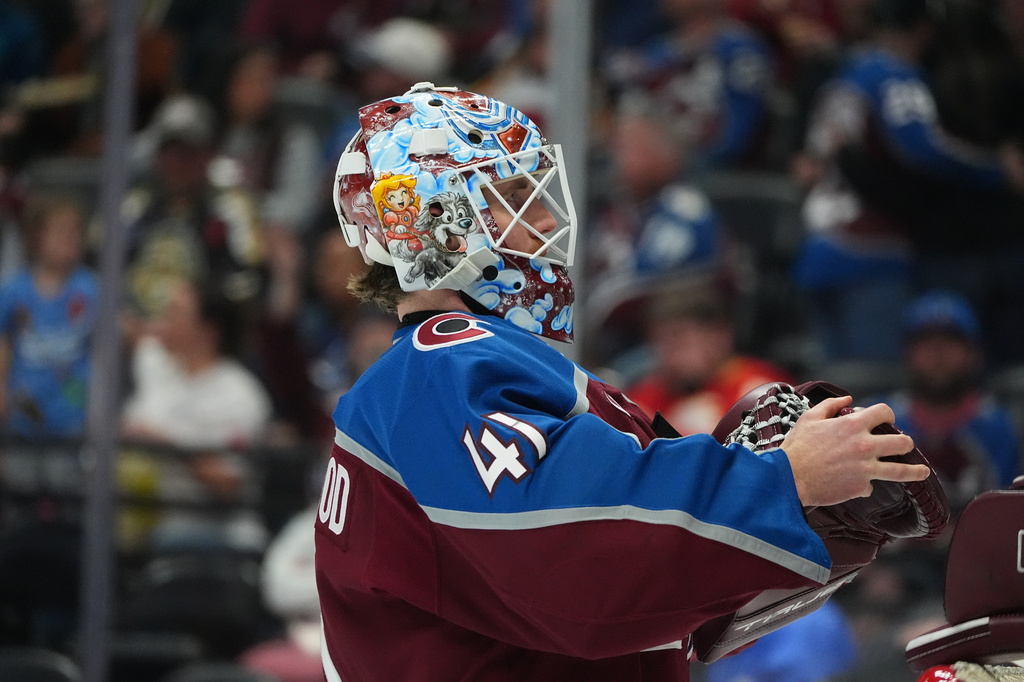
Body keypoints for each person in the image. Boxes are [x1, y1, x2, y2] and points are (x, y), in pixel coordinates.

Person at [313, 82, 932, 682]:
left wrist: (790, 522)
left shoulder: (445, 372)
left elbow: (649, 617)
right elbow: (571, 565)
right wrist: (777, 481)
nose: (542, 219)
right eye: (511, 195)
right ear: (434, 224)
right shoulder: (441, 369)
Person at [625, 283, 792, 437]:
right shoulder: (652, 393)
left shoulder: (761, 389)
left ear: (719, 335)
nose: (669, 355)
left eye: (679, 341)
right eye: (659, 342)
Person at [0, 193, 96, 438]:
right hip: (22, 413)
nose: (70, 239)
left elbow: (105, 347)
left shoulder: (92, 289)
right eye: (61, 231)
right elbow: (4, 343)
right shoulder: (13, 290)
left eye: (76, 232)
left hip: (73, 416)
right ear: (36, 237)